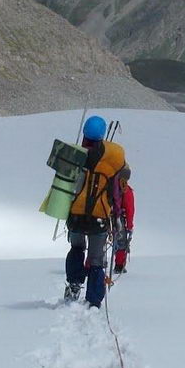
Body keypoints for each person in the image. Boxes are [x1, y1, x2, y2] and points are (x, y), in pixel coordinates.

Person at [64, 114, 128, 308]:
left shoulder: (76, 157)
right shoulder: (112, 162)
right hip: (99, 217)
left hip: (75, 215)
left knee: (76, 248)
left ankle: (74, 285)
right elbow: (116, 194)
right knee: (96, 259)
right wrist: (117, 217)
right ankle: (93, 300)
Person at [112, 166, 135, 274]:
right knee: (121, 242)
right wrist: (130, 226)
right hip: (119, 218)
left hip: (104, 215)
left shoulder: (108, 186)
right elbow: (130, 209)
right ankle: (119, 266)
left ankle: (91, 265)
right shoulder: (126, 190)